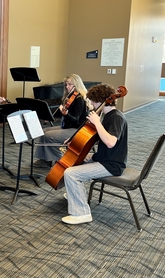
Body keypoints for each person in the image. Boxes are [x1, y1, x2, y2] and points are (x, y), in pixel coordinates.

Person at [62, 83, 128, 225]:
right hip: (103, 158)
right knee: (75, 158)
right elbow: (99, 138)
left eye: (93, 100)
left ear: (101, 100)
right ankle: (75, 194)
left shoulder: (116, 117)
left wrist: (97, 123)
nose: (91, 103)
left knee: (70, 173)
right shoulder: (107, 115)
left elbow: (110, 142)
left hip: (111, 164)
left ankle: (82, 213)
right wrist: (74, 142)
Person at [34, 74, 90, 167]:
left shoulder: (79, 99)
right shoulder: (70, 97)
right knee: (44, 131)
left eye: (70, 85)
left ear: (77, 85)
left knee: (49, 135)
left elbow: (75, 120)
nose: (67, 87)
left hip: (77, 129)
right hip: (68, 126)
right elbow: (64, 114)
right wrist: (50, 116)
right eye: (66, 84)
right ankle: (45, 160)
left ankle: (60, 160)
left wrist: (66, 114)